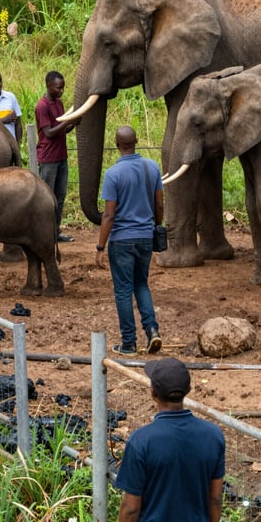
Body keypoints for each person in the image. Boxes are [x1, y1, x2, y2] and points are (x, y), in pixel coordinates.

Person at [114, 357, 225, 522]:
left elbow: (131, 507)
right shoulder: (213, 436)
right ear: (188, 391)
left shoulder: (141, 441)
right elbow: (215, 498)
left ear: (153, 393)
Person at [95, 125, 162, 355]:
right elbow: (159, 204)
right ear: (137, 141)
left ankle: (129, 343)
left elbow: (109, 215)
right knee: (141, 284)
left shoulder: (113, 174)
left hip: (122, 240)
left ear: (116, 144)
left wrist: (100, 247)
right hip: (145, 237)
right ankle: (152, 330)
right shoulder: (152, 167)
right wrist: (154, 228)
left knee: (123, 290)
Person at [34, 70, 75, 243]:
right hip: (48, 158)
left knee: (60, 196)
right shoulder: (42, 106)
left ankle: (55, 232)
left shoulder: (58, 103)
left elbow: (62, 131)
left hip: (61, 156)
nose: (61, 91)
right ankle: (44, 234)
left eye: (63, 88)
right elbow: (49, 132)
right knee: (47, 199)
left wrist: (72, 123)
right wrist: (66, 122)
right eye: (58, 88)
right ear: (49, 86)